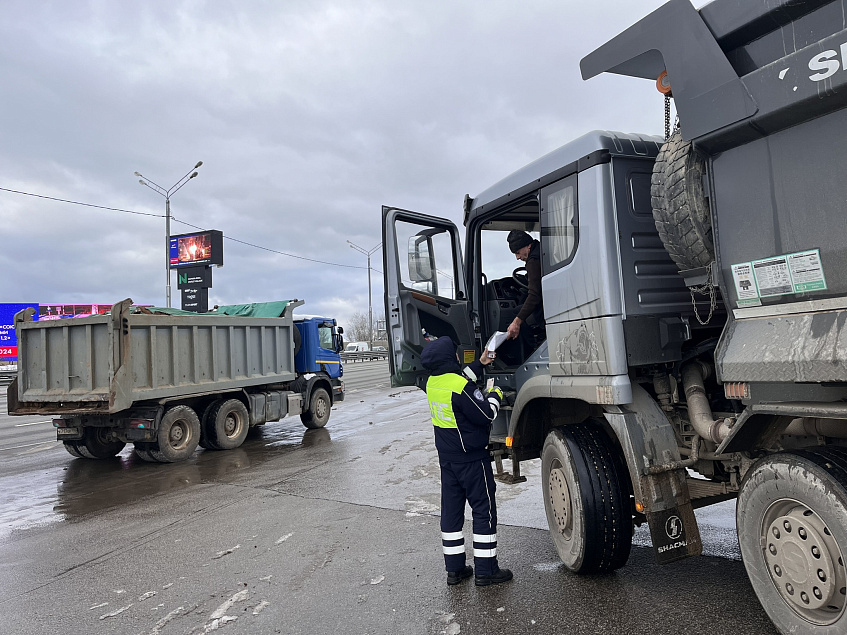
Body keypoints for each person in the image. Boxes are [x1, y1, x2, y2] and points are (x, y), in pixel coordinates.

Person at [421, 335, 514, 587]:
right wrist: (495, 393)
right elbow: (486, 414)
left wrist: (481, 363)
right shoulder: (461, 388)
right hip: (472, 460)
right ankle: (486, 570)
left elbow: (460, 377)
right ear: (451, 357)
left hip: (447, 461)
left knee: (451, 515)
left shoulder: (433, 383)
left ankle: (455, 570)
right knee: (484, 511)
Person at [505, 230, 543, 343]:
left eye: (518, 252)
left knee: (516, 312)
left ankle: (532, 347)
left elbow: (534, 295)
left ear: (528, 245)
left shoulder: (533, 262)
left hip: (545, 307)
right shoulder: (541, 249)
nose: (517, 257)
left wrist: (516, 322)